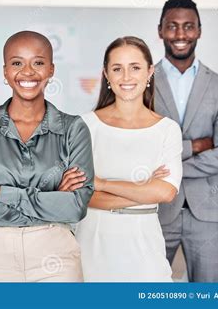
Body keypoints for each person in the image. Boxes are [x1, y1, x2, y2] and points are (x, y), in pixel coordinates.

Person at [0, 31, 94, 282]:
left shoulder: (73, 129)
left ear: (51, 70)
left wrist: (4, 193)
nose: (28, 72)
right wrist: (53, 200)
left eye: (38, 63)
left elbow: (75, 207)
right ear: (5, 71)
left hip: (55, 253)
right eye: (17, 63)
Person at [75, 36, 183, 282]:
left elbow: (165, 193)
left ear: (149, 72)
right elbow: (79, 196)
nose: (126, 77)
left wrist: (101, 184)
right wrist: (145, 191)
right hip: (93, 245)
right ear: (106, 74)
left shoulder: (167, 129)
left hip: (144, 250)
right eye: (117, 68)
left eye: (135, 67)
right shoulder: (84, 126)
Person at [155, 0, 218, 282]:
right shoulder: (141, 83)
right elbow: (141, 149)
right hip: (152, 211)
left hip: (209, 214)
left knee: (208, 298)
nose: (181, 35)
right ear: (160, 30)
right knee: (144, 294)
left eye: (188, 26)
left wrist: (170, 162)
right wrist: (195, 146)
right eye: (173, 26)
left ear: (199, 30)